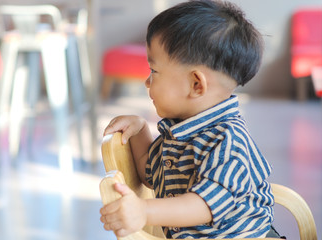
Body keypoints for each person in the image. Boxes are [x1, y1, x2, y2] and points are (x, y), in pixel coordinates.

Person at [100, 0, 280, 239]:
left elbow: (203, 205)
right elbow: (150, 175)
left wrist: (143, 210)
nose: (146, 81)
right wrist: (141, 131)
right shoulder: (179, 130)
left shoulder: (229, 142)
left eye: (153, 71)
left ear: (196, 84)